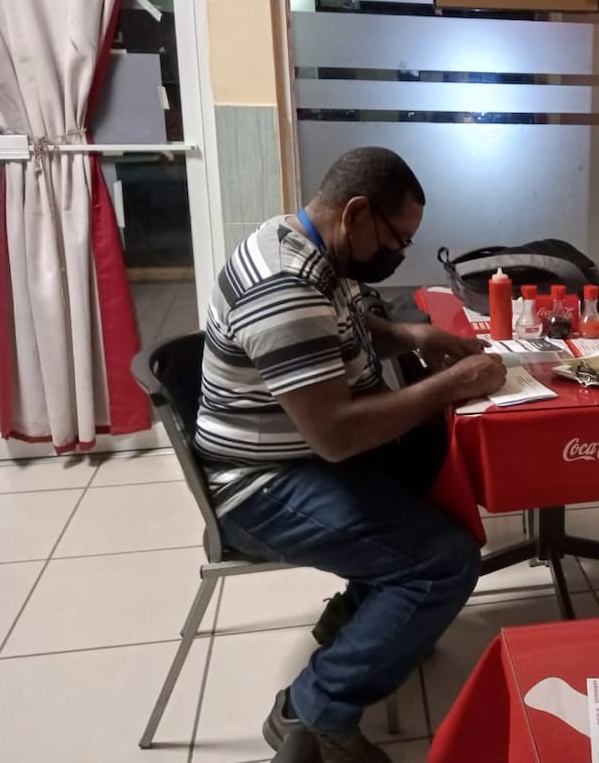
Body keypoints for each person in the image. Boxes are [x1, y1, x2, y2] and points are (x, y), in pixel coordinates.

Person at [194, 146, 506, 763]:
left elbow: (346, 331)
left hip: (301, 455)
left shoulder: (308, 243)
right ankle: (315, 707)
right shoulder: (284, 285)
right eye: (398, 238)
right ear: (357, 213)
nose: (400, 254)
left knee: (442, 467)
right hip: (263, 483)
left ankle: (359, 623)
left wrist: (412, 335)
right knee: (442, 562)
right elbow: (335, 434)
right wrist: (448, 386)